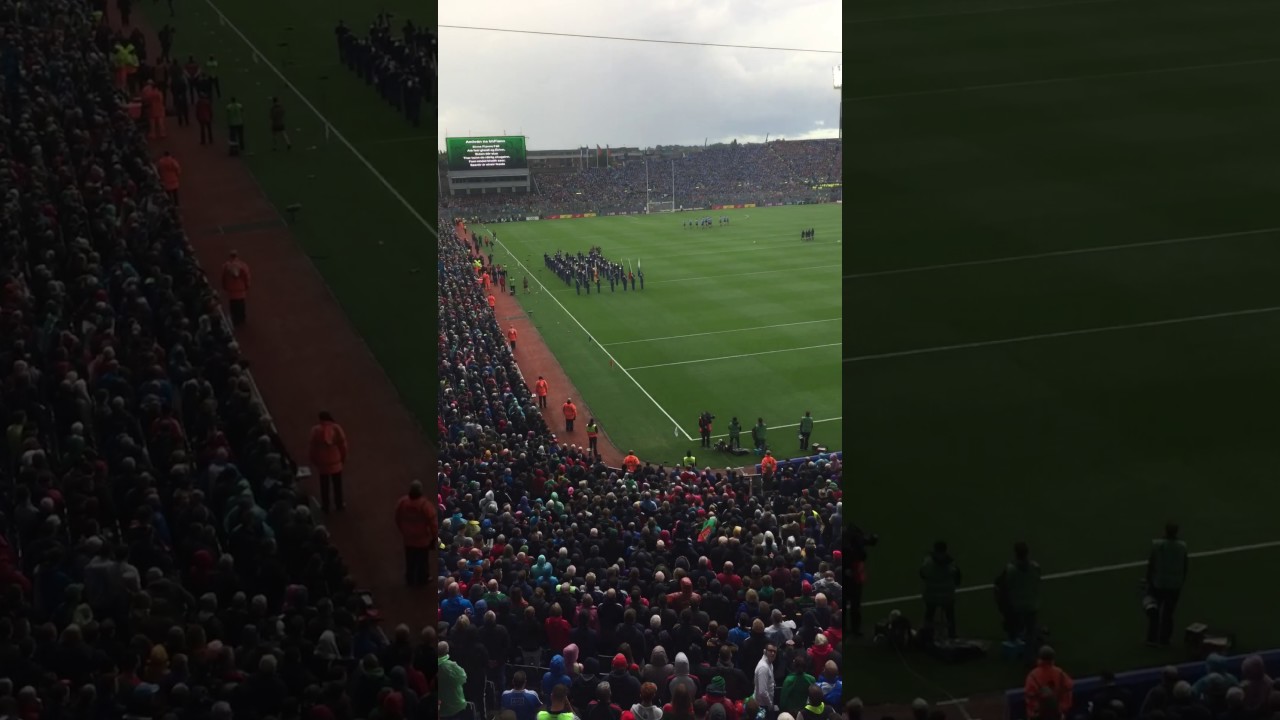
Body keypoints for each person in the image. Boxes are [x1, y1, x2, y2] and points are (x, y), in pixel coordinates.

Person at [1146, 523, 1187, 647]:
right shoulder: (1182, 546)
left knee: (1154, 611)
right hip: (1174, 585)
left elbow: (1151, 563)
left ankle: (1152, 638)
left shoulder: (1157, 545)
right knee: (1168, 614)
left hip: (1158, 583)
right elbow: (1185, 566)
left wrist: (1148, 579)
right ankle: (1164, 640)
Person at [995, 541, 1041, 647]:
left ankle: (1015, 645)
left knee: (1013, 628)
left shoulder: (1010, 569)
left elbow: (1000, 584)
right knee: (1030, 633)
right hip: (1032, 604)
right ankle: (1030, 657)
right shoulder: (1035, 567)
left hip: (1016, 605)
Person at [394, 480, 435, 586]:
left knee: (410, 560)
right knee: (422, 561)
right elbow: (433, 523)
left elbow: (397, 518)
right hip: (422, 539)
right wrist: (434, 537)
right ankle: (422, 579)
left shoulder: (403, 502)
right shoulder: (425, 505)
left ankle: (410, 579)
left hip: (408, 538)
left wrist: (403, 530)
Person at [919, 540, 961, 642]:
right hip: (947, 597)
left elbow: (922, 574)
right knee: (950, 616)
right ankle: (952, 635)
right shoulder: (951, 565)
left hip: (931, 596)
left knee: (929, 614)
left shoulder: (927, 563)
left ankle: (927, 635)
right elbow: (958, 579)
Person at [309, 411, 349, 512]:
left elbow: (312, 448)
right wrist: (342, 458)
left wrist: (314, 460)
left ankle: (325, 506)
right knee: (337, 485)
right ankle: (339, 504)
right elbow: (343, 446)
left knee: (324, 486)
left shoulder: (315, 430)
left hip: (322, 464)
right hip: (336, 462)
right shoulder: (336, 429)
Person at [1024, 646, 1073, 720]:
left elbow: (1030, 697)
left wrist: (1037, 711)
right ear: (1053, 659)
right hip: (1056, 715)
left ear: (1039, 658)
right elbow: (1068, 690)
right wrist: (1061, 709)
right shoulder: (1060, 673)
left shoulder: (1033, 675)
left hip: (1039, 716)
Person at [439, 641, 469, 720]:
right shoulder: (451, 666)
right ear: (447, 650)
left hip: (441, 707)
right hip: (454, 703)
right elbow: (463, 678)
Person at [220, 250, 251, 325]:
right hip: (240, 289)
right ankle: (241, 319)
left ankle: (234, 319)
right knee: (241, 304)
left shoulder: (226, 266)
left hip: (231, 290)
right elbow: (246, 276)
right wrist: (247, 285)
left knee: (233, 305)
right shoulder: (243, 265)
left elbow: (223, 277)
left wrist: (224, 286)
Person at [753, 645, 777, 716]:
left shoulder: (770, 664)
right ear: (765, 651)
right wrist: (770, 705)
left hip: (767, 702)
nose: (773, 653)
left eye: (774, 652)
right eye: (770, 651)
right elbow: (762, 692)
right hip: (763, 705)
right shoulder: (763, 667)